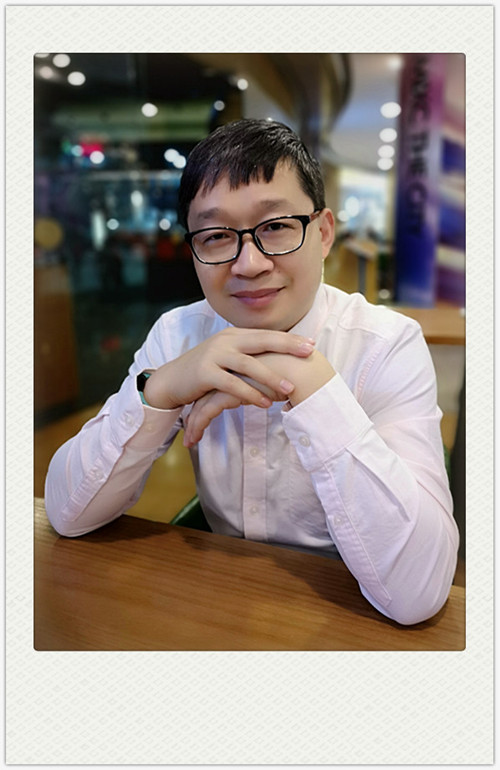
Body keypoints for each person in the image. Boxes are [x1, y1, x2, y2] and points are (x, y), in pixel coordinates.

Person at [45, 118, 459, 625]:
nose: (249, 263)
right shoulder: (178, 335)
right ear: (194, 250)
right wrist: (159, 390)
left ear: (323, 233)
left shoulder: (386, 345)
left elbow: (418, 593)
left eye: (276, 227)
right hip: (220, 604)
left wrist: (303, 380)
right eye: (217, 235)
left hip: (350, 612)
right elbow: (67, 513)